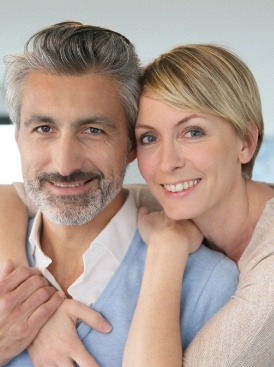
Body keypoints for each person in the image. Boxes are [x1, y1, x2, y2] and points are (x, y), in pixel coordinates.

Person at [0, 23, 238, 367]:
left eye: (93, 130)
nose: (65, 165)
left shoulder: (209, 284)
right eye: (44, 129)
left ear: (130, 145)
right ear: (18, 139)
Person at [123, 44, 274, 366]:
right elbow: (16, 196)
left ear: (246, 142)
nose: (168, 163)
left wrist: (168, 248)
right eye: (149, 138)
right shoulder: (175, 201)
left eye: (193, 132)